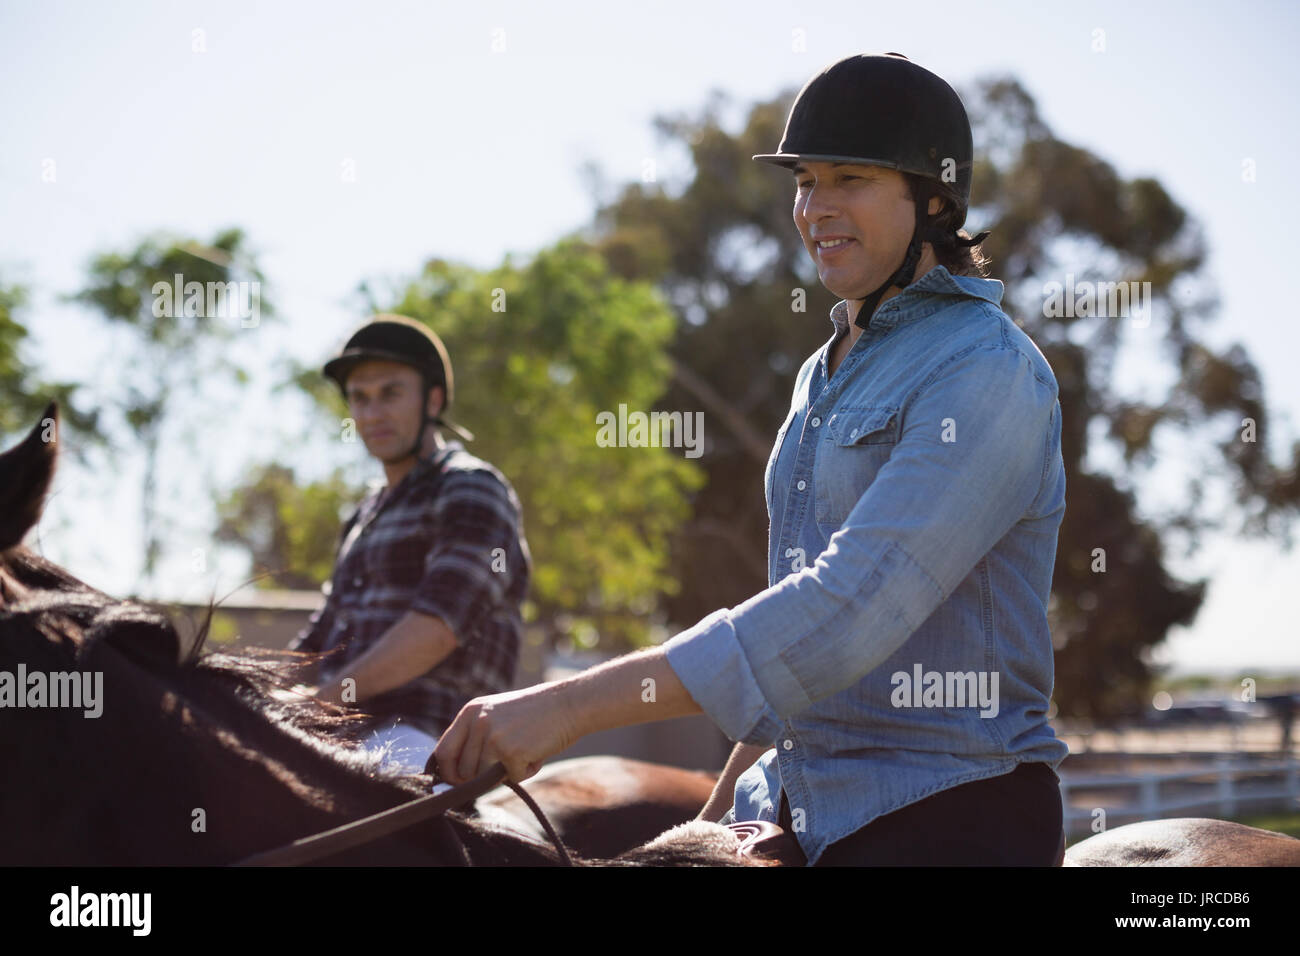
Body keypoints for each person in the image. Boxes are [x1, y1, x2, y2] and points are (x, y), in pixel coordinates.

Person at [431, 53, 1069, 866]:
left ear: (934, 199)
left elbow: (846, 613)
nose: (815, 208)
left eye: (849, 180)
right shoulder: (823, 370)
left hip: (949, 808)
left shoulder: (989, 371)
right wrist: (712, 809)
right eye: (806, 181)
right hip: (793, 795)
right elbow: (789, 639)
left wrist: (566, 710)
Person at [288, 314, 531, 774]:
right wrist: (251, 691)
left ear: (433, 399)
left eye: (391, 393)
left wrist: (320, 701)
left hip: (430, 736)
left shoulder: (471, 488)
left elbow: (439, 626)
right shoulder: (361, 516)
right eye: (359, 398)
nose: (372, 412)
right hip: (336, 730)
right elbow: (320, 637)